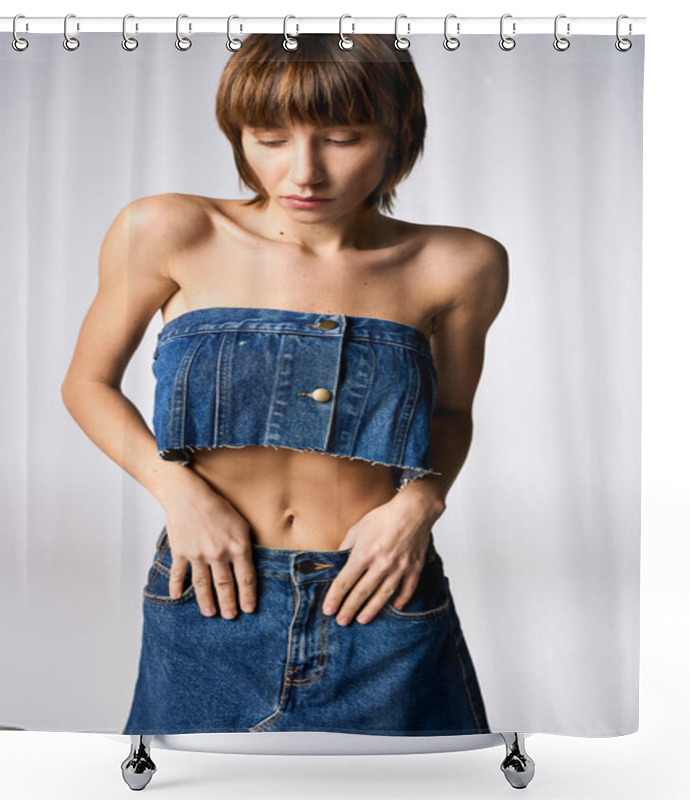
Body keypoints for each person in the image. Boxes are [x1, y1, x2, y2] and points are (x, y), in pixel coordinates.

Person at [61, 33, 508, 736]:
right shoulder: (168, 229)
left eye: (342, 137)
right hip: (211, 591)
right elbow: (87, 383)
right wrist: (178, 492)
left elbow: (451, 412)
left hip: (380, 595)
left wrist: (419, 505)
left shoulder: (459, 263)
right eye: (269, 138)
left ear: (398, 136)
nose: (304, 171)